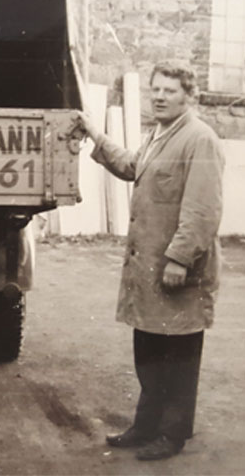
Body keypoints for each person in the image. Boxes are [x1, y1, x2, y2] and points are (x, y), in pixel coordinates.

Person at [77, 60, 225, 461]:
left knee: (178, 355)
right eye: (156, 89)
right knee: (150, 349)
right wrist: (95, 133)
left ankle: (172, 434)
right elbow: (131, 166)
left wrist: (179, 258)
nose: (159, 96)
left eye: (170, 91)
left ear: (189, 96)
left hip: (179, 271)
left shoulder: (200, 139)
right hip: (149, 270)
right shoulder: (159, 134)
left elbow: (203, 210)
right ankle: (146, 425)